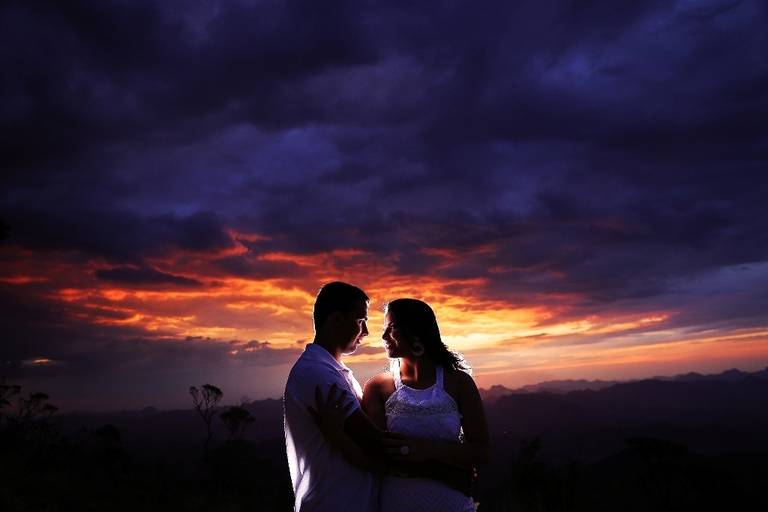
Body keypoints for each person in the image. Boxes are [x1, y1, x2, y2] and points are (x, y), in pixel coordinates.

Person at [362, 298, 490, 512]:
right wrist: (443, 472)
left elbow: (481, 451)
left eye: (392, 327)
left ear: (416, 330)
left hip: (453, 505)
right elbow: (378, 456)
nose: (384, 336)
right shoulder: (377, 387)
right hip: (398, 504)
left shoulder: (459, 382)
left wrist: (425, 449)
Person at [283, 281, 383, 512]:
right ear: (336, 319)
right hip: (333, 502)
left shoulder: (332, 371)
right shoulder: (319, 374)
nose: (366, 332)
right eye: (361, 321)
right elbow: (375, 443)